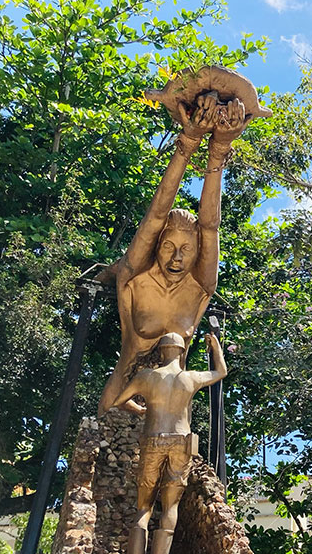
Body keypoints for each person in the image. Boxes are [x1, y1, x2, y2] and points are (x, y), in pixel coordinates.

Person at [97, 89, 248, 417]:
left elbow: (210, 227)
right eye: (167, 247)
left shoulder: (199, 288)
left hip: (171, 417)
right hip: (120, 407)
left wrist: (219, 150)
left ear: (197, 255)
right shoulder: (135, 277)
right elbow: (155, 216)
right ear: (156, 247)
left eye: (186, 250)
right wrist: (188, 143)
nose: (176, 258)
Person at [110, 332, 227, 554]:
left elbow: (118, 401)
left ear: (162, 350)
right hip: (180, 441)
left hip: (153, 438)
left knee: (144, 505)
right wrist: (215, 347)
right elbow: (221, 372)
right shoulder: (190, 378)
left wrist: (141, 410)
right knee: (170, 504)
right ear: (182, 351)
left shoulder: (146, 377)